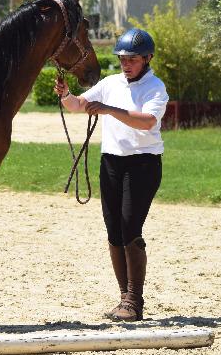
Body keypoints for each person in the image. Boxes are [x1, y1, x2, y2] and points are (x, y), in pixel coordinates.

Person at [55, 28, 168, 321]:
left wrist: (108, 109)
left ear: (147, 58)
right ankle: (123, 298)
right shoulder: (110, 83)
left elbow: (146, 122)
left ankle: (134, 300)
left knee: (131, 228)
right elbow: (79, 105)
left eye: (132, 59)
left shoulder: (155, 88)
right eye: (122, 59)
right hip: (112, 163)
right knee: (113, 231)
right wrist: (66, 94)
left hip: (143, 164)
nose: (126, 64)